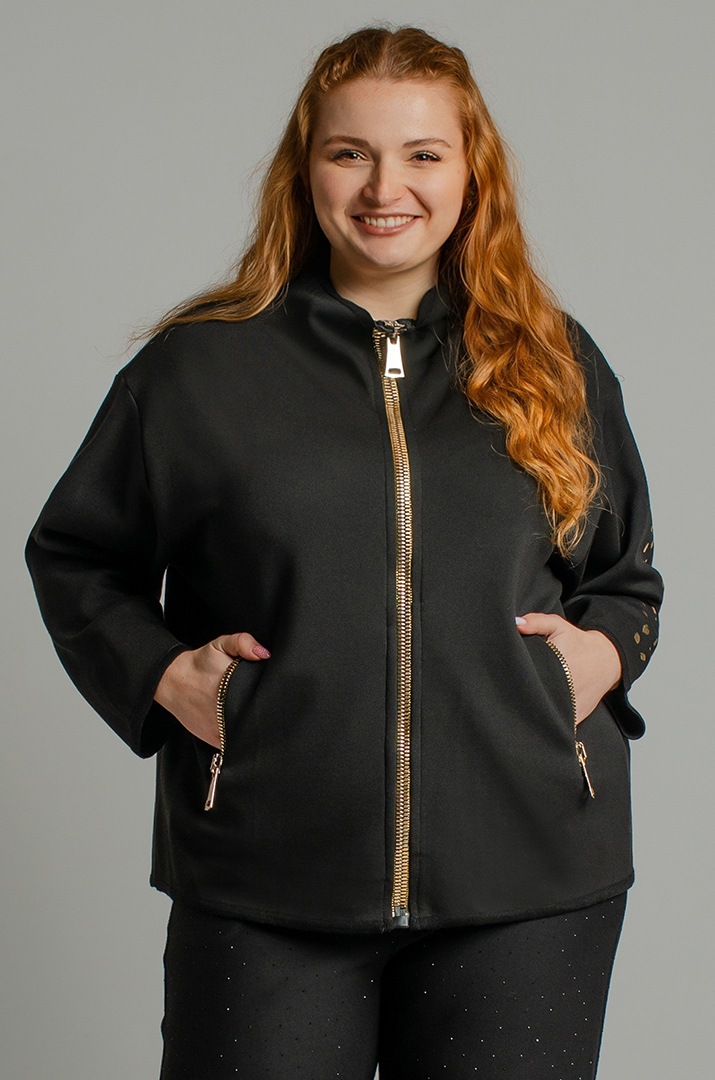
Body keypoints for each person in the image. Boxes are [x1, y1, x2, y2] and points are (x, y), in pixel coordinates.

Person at [26, 25, 663, 1080]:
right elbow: (75, 554)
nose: (383, 187)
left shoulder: (554, 360)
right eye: (349, 152)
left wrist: (597, 655)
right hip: (265, 873)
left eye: (422, 154)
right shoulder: (199, 369)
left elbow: (625, 578)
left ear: (470, 173)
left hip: (531, 879)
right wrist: (161, 674)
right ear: (305, 168)